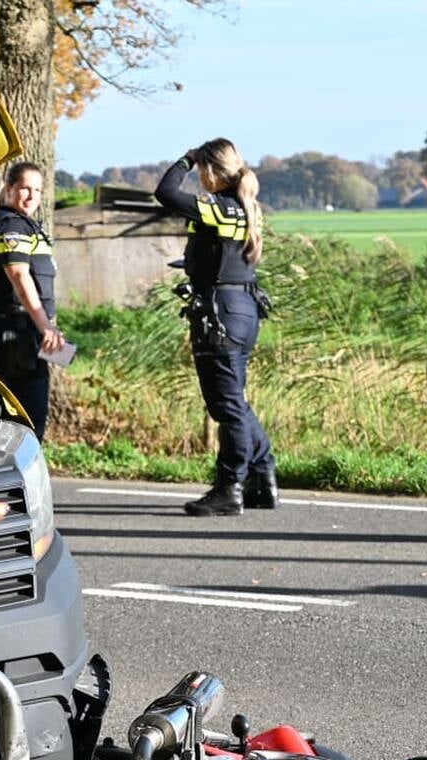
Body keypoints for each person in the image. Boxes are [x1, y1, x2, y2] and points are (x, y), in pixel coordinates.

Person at [153, 139, 276, 516]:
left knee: (226, 406)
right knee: (235, 400)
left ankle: (229, 487)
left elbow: (166, 193)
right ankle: (262, 475)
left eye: (201, 169)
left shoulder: (217, 208)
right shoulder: (248, 209)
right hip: (245, 310)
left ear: (210, 170)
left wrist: (185, 159)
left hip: (219, 315)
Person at [0, 161, 63, 438]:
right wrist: (45, 326)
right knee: (29, 419)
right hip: (16, 331)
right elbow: (18, 275)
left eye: (37, 190)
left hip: (15, 329)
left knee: (18, 416)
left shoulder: (9, 222)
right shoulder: (13, 224)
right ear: (9, 189)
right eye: (25, 188)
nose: (31, 196)